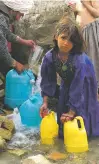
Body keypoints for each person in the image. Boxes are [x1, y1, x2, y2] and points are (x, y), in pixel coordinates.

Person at [40, 16, 99, 139]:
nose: (66, 43)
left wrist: (72, 112)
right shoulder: (49, 57)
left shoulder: (80, 61)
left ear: (75, 43)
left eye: (71, 40)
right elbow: (47, 80)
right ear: (56, 36)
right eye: (63, 38)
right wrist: (45, 102)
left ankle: (87, 135)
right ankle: (64, 134)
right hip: (67, 81)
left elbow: (78, 87)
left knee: (84, 107)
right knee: (62, 105)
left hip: (85, 81)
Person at [0, 1, 35, 101]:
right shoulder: (1, 18)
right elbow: (1, 49)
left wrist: (25, 42)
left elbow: (7, 34)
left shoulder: (4, 15)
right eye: (20, 14)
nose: (19, 18)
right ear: (13, 10)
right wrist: (15, 63)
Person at [68, 0, 99, 93]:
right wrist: (74, 10)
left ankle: (95, 88)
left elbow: (97, 13)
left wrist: (85, 3)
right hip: (82, 33)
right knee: (85, 61)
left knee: (93, 60)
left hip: (92, 30)